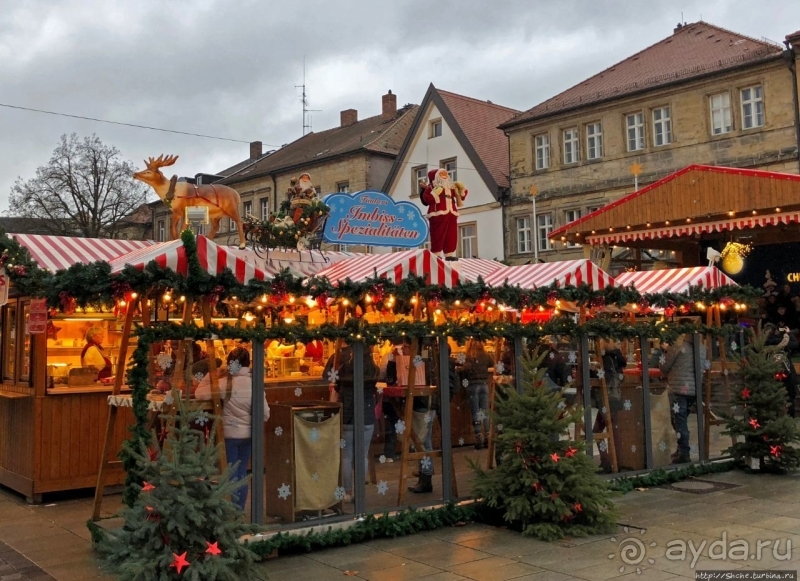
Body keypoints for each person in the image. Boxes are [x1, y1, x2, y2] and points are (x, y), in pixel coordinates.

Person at [195, 347, 269, 511]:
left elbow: (199, 393)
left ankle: (228, 511)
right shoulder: (255, 383)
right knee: (241, 473)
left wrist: (211, 375)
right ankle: (238, 510)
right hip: (249, 435)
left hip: (229, 436)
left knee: (229, 474)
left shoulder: (224, 383)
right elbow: (265, 414)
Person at [323, 344, 380, 502]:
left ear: (354, 352)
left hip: (347, 414)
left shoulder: (344, 369)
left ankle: (348, 492)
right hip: (366, 415)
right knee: (362, 456)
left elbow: (338, 388)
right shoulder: (374, 370)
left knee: (347, 456)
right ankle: (360, 492)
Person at [660, 323, 706, 464]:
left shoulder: (677, 347)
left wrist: (664, 352)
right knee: (681, 420)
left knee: (679, 421)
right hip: (693, 390)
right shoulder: (702, 348)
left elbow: (664, 367)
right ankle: (682, 449)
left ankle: (684, 452)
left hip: (678, 388)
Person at [420, 168, 468, 260]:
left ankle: (449, 254)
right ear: (435, 176)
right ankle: (436, 253)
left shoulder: (451, 187)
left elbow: (462, 197)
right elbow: (427, 199)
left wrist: (462, 189)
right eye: (441, 173)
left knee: (451, 234)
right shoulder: (431, 187)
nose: (444, 174)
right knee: (438, 233)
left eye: (445, 173)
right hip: (437, 213)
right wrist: (435, 192)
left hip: (451, 213)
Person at [594, 340, 626, 473]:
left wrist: (595, 371)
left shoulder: (607, 358)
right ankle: (616, 461)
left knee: (598, 430)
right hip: (616, 397)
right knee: (614, 430)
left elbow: (605, 378)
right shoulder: (617, 357)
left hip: (608, 399)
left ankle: (607, 461)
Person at [460, 339, 494, 450]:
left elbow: (464, 368)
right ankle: (488, 437)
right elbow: (491, 363)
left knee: (475, 412)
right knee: (485, 412)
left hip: (473, 385)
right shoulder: (485, 354)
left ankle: (478, 437)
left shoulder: (468, 355)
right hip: (484, 384)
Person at [764, 323, 799, 417]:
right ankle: (790, 419)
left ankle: (774, 419)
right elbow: (795, 345)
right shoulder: (784, 341)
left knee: (773, 398)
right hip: (787, 375)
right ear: (776, 331)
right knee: (790, 398)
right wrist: (789, 333)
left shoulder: (764, 343)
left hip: (770, 375)